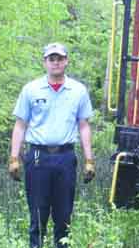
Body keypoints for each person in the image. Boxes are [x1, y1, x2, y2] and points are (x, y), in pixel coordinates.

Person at [8, 42, 95, 248]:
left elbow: (83, 126)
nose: (56, 62)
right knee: (38, 216)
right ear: (45, 62)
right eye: (51, 59)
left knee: (63, 217)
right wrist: (13, 158)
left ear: (66, 61)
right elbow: (20, 125)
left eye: (60, 58)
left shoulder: (78, 90)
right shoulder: (31, 89)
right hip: (38, 157)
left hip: (66, 158)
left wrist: (89, 160)